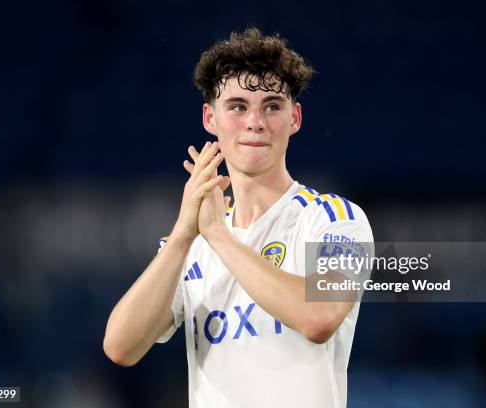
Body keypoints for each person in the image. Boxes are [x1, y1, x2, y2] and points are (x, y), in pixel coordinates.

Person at [103, 27, 374, 407]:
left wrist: (218, 235)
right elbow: (121, 347)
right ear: (209, 118)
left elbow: (319, 317)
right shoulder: (192, 243)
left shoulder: (335, 220)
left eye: (272, 106)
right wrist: (183, 234)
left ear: (294, 117)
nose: (255, 122)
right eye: (237, 106)